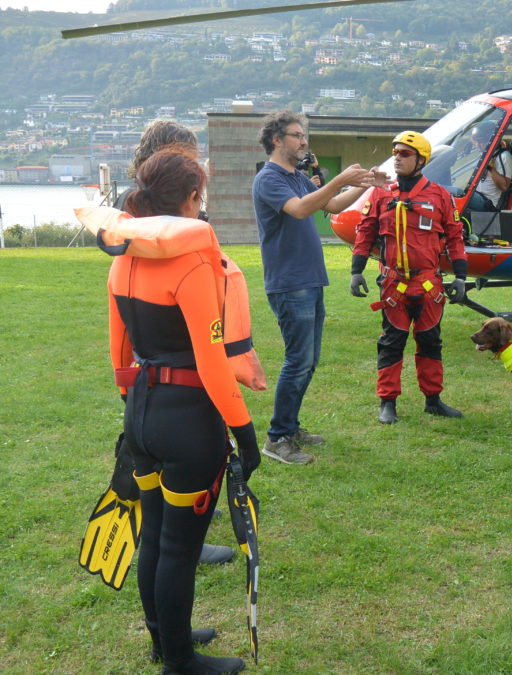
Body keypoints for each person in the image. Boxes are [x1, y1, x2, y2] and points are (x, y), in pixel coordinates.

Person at [105, 147, 260, 673]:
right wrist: (244, 430)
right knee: (176, 548)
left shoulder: (123, 255)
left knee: (154, 533)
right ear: (192, 198)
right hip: (189, 419)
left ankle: (163, 637)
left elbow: (118, 352)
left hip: (142, 411)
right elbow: (213, 362)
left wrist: (136, 410)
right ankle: (179, 661)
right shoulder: (193, 262)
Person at [115, 121, 236, 567]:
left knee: (163, 445)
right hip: (162, 355)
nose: (196, 165)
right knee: (165, 441)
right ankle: (170, 530)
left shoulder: (172, 206)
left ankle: (177, 509)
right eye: (187, 157)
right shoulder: (138, 212)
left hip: (161, 363)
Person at [253, 111, 378, 464]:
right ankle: (277, 439)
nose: (303, 141)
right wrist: (338, 178)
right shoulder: (269, 179)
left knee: (308, 362)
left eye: (302, 135)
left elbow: (333, 204)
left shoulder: (296, 176)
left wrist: (368, 182)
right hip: (289, 284)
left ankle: (289, 427)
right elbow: (300, 210)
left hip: (309, 280)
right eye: (295, 135)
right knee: (298, 361)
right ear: (277, 140)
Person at [350, 130, 468, 424]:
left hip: (428, 284)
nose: (397, 158)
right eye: (395, 152)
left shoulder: (440, 196)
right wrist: (356, 271)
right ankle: (387, 402)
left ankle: (433, 399)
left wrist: (461, 277)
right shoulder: (380, 193)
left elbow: (455, 238)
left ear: (421, 160)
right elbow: (365, 233)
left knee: (430, 341)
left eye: (404, 154)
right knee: (391, 341)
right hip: (394, 283)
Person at [466, 120, 512, 212]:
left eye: (480, 142)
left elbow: (505, 187)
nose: (477, 145)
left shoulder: (504, 156)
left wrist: (490, 168)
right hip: (477, 194)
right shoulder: (484, 154)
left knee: (454, 194)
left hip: (488, 202)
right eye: (475, 142)